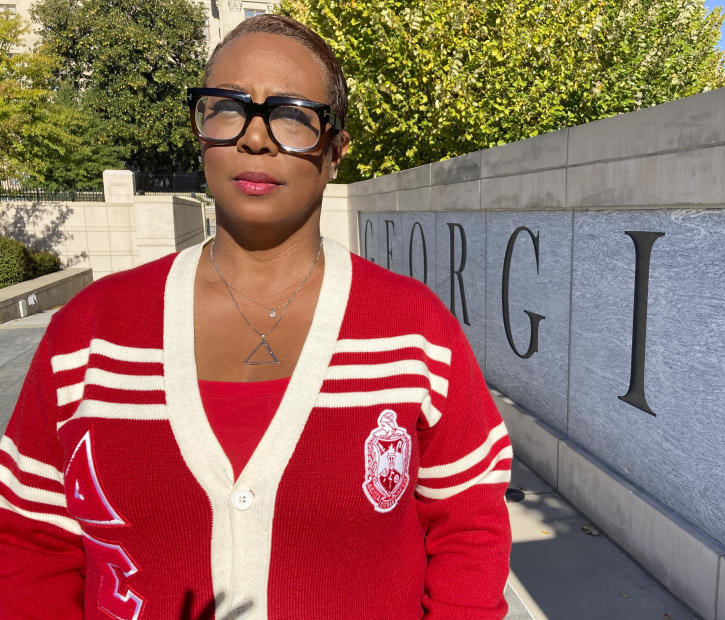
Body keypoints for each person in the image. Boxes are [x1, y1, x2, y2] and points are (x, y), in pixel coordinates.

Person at [0, 14, 512, 619]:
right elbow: (31, 545)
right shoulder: (89, 335)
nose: (255, 138)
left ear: (335, 150)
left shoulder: (412, 330)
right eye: (227, 107)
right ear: (200, 131)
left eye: (293, 114)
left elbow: (470, 526)